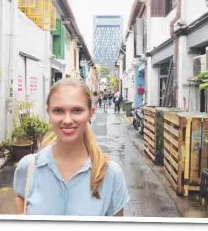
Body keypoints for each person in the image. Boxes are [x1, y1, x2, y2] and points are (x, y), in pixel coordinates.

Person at [13, 78, 130, 216]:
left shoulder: (111, 174)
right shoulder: (28, 167)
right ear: (48, 113)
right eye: (58, 111)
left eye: (77, 110)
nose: (67, 120)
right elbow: (21, 210)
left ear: (90, 113)